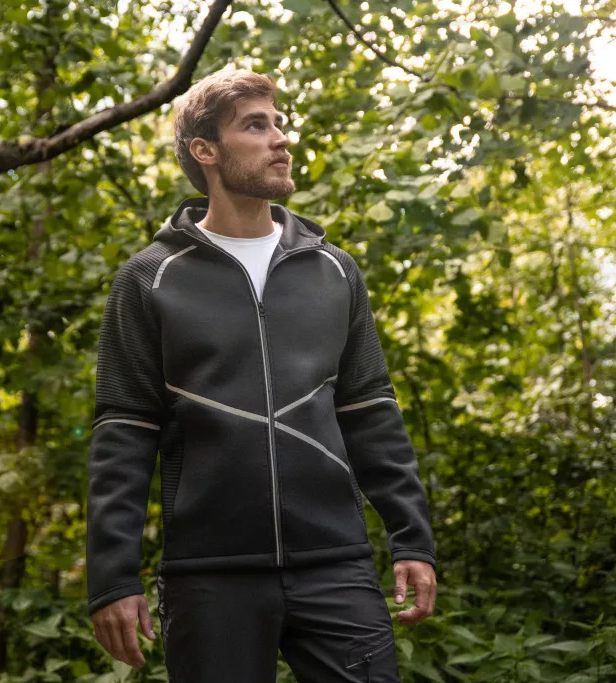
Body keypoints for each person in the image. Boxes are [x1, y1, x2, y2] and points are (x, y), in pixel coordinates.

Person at [86, 68, 437, 682]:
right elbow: (125, 430)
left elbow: (370, 410)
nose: (281, 138)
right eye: (255, 126)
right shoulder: (149, 278)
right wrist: (113, 577)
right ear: (206, 151)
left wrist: (412, 538)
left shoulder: (333, 270)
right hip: (209, 573)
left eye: (278, 123)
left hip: (336, 564)